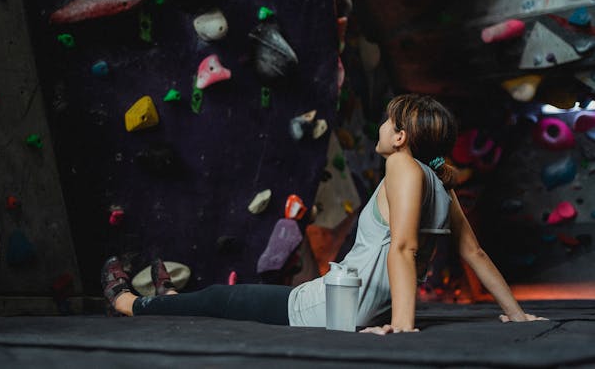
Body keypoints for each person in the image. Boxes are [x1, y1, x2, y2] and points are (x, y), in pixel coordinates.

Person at [101, 94, 547, 334]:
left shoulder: (402, 167)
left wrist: (403, 327)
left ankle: (130, 303)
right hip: (354, 306)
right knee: (226, 298)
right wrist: (518, 314)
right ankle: (171, 301)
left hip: (338, 309)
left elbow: (406, 247)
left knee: (225, 297)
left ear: (401, 136)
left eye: (388, 122)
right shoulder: (440, 185)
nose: (382, 127)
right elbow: (476, 254)